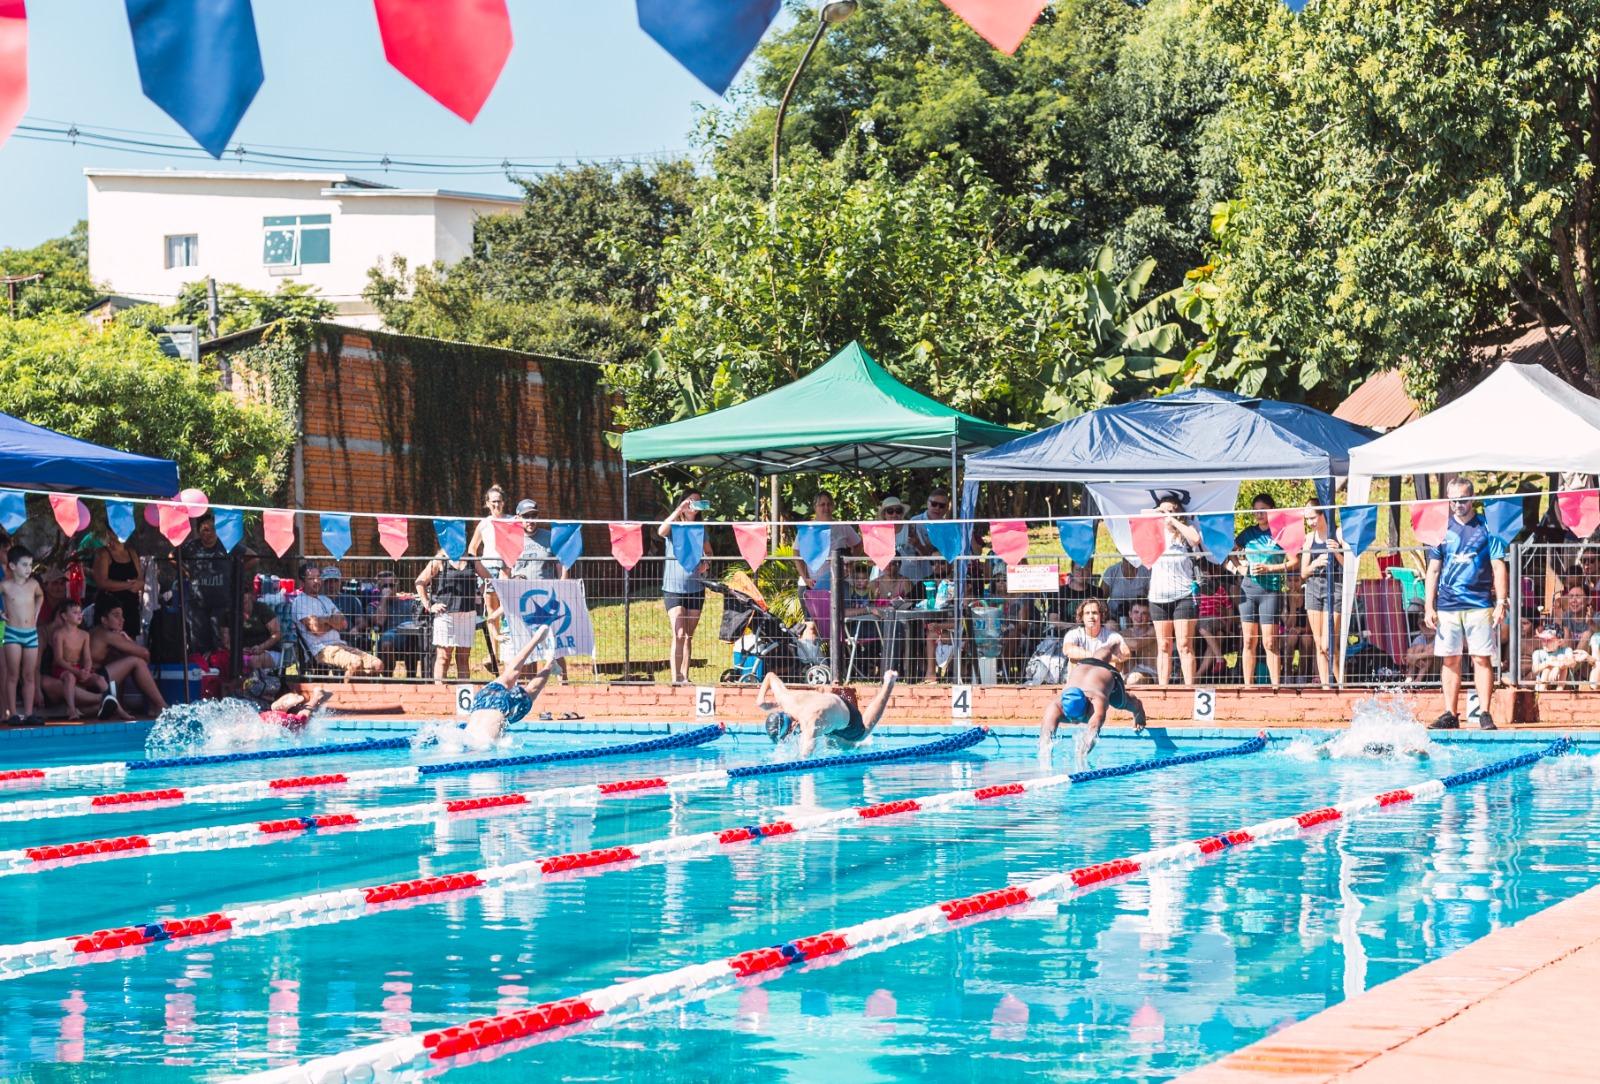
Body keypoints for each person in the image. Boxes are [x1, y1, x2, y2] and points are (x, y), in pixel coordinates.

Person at [1425, 479, 1509, 730]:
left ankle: (1484, 712)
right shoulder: (1441, 529)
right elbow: (1433, 569)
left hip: (1479, 603)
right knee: (1449, 659)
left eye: (1462, 499)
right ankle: (1450, 713)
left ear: (1472, 498)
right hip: (1448, 605)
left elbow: (1498, 566)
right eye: (1453, 500)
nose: (1457, 504)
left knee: (1481, 658)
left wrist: (1501, 602)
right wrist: (1429, 605)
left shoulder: (1487, 527)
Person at [1037, 642, 1147, 762]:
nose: (1075, 722)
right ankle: (1110, 645)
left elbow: (1092, 734)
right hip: (1085, 664)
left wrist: (1080, 758)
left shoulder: (1097, 704)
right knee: (1098, 658)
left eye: (1078, 718)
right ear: (1062, 707)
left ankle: (1138, 708)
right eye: (1071, 718)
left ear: (1087, 703)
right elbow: (1044, 740)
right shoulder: (1055, 707)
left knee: (1122, 703)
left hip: (1107, 674)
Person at [758, 669, 898, 759]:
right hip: (829, 705)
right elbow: (770, 676)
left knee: (862, 734)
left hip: (847, 716)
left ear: (792, 725)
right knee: (835, 744)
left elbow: (805, 758)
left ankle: (888, 684)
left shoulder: (810, 723)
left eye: (789, 735)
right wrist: (760, 701)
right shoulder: (785, 700)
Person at [1230, 493, 1291, 686]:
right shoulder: (1248, 533)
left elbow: (1294, 561)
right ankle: (1249, 686)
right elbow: (1231, 552)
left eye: (1263, 510)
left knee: (1270, 642)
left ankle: (1276, 687)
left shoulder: (1281, 533)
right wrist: (1240, 568)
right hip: (1248, 589)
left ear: (1272, 510)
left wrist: (1270, 568)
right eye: (1255, 510)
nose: (1259, 514)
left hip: (1271, 590)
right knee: (1249, 640)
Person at [463, 626, 554, 747]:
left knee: (531, 691)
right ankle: (536, 638)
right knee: (510, 672)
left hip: (501, 707)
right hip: (482, 700)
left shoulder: (480, 745)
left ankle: (550, 663)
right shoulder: (462, 741)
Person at [289, 563, 384, 680]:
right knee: (356, 663)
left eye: (318, 577)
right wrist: (332, 622)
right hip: (321, 650)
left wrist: (324, 620)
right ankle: (345, 691)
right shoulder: (300, 602)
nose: (316, 581)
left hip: (340, 645)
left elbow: (344, 623)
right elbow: (316, 629)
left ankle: (356, 689)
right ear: (302, 582)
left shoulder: (325, 599)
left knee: (377, 665)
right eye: (311, 578)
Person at [1148, 493, 1203, 686]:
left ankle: (1189, 688)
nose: (1166, 514)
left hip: (1184, 594)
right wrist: (1156, 514)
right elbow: (1137, 523)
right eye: (1162, 511)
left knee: (1184, 644)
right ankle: (1163, 688)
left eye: (1170, 510)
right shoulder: (1154, 533)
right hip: (1158, 596)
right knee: (1163, 645)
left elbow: (1195, 539)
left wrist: (1174, 521)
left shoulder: (1187, 530)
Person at [415, 550, 490, 684]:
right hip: (445, 615)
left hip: (468, 614)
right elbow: (420, 582)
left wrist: (479, 592)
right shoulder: (441, 559)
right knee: (443, 657)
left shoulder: (472, 560)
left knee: (463, 658)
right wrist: (429, 605)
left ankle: (462, 691)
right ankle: (439, 692)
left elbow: (489, 579)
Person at [659, 490, 710, 686]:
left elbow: (709, 552)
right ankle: (675, 678)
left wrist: (707, 563)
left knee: (688, 635)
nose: (694, 505)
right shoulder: (674, 526)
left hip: (695, 587)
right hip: (673, 587)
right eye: (691, 501)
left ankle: (685, 677)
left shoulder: (700, 528)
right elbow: (661, 531)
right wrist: (678, 510)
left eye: (698, 502)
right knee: (678, 632)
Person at [47, 599, 124, 721]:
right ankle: (71, 709)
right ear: (64, 616)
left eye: (80, 612)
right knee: (70, 678)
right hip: (62, 669)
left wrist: (87, 670)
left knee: (100, 679)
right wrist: (77, 672)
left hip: (78, 668)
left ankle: (119, 709)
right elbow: (58, 660)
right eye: (75, 612)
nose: (79, 615)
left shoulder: (84, 635)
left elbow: (87, 658)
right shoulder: (59, 634)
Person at [1300, 500, 1348, 689]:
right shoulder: (1309, 539)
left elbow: (1351, 567)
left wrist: (1337, 552)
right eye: (1307, 519)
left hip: (1335, 587)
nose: (1310, 522)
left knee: (1329, 644)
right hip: (1313, 587)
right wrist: (1315, 563)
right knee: (1319, 644)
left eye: (1313, 517)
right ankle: (1326, 688)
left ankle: (1342, 685)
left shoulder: (1338, 533)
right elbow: (1303, 572)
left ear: (1322, 515)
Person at [88, 604, 169, 714]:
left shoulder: (96, 631)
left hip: (94, 681)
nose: (122, 620)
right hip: (93, 682)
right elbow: (145, 654)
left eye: (122, 616)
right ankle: (161, 705)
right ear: (104, 620)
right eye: (116, 615)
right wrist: (129, 641)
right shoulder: (106, 634)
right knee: (137, 662)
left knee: (123, 659)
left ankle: (146, 704)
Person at [1, 546, 43, 725]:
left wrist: (36, 613)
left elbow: (40, 596)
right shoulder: (5, 585)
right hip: (12, 633)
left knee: (29, 675)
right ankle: (12, 713)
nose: (28, 569)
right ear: (12, 566)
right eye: (24, 565)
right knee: (13, 674)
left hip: (31, 634)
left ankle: (29, 713)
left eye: (30, 565)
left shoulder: (33, 584)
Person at [794, 492, 862, 591]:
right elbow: (796, 553)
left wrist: (851, 563)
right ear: (815, 507)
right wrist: (805, 578)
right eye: (822, 504)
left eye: (829, 504)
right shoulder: (807, 529)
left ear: (833, 507)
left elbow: (858, 545)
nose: (826, 508)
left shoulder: (843, 526)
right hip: (812, 586)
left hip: (840, 583)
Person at [92, 534, 147, 639]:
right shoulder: (103, 553)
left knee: (129, 640)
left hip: (130, 607)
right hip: (110, 607)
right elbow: (102, 582)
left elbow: (140, 579)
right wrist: (128, 585)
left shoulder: (132, 553)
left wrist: (138, 584)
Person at [1195, 573, 1236, 680]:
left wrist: (1228, 627)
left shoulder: (1220, 589)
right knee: (1219, 637)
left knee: (1204, 629)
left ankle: (1218, 660)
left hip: (1216, 621)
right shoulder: (1196, 589)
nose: (1204, 575)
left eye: (1206, 573)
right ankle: (1199, 675)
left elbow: (1229, 608)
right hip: (1203, 622)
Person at [1049, 563, 1106, 632]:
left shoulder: (1097, 591)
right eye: (1078, 570)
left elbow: (1104, 616)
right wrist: (1075, 627)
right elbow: (1053, 620)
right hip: (1065, 633)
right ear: (1072, 570)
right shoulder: (1060, 592)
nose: (1081, 573)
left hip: (1092, 632)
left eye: (1085, 570)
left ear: (1090, 571)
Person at [1529, 623, 1585, 691]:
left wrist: (1557, 667)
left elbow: (1573, 663)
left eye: (1549, 640)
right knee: (1547, 668)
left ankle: (1559, 689)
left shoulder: (1566, 650)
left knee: (1562, 658)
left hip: (1561, 680)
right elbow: (1534, 669)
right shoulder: (1537, 653)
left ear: (1559, 642)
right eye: (1543, 640)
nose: (1545, 643)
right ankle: (1542, 689)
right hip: (1543, 680)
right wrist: (1549, 663)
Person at [1100, 554, 1152, 624]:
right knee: (1111, 626)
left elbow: (1151, 596)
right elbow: (1101, 598)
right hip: (1113, 616)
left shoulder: (1146, 571)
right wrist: (1106, 616)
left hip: (1139, 617)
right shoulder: (1112, 571)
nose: (1130, 560)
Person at [259, 688, 332, 731]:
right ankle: (317, 696)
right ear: (283, 703)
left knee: (304, 717)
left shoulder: (267, 715)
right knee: (304, 717)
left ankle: (318, 697)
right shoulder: (282, 716)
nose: (295, 694)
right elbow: (303, 718)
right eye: (290, 696)